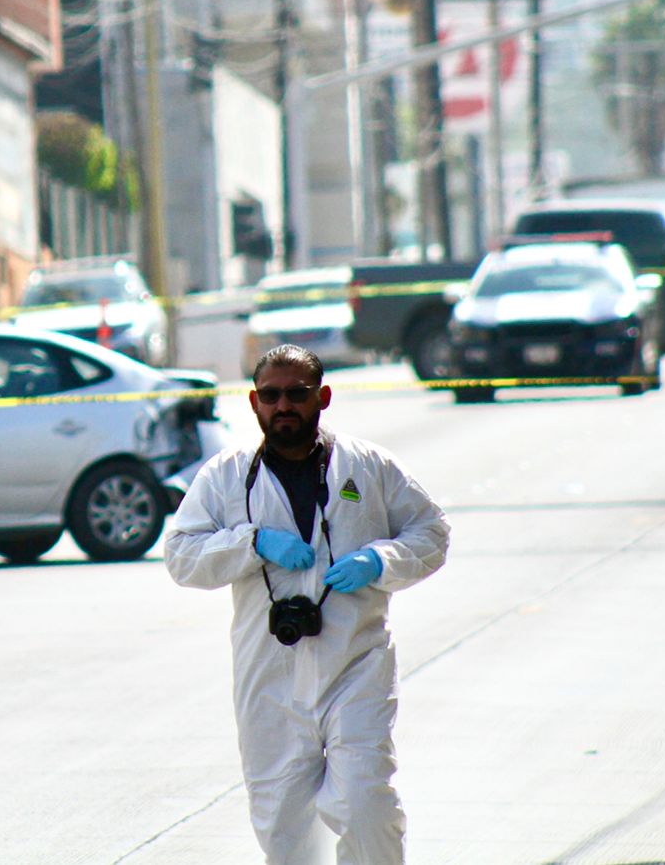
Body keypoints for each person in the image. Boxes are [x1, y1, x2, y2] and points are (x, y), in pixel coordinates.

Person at [163, 344, 450, 865]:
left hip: (355, 665)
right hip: (268, 676)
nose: (284, 406)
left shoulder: (368, 466)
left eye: (297, 394)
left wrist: (380, 560)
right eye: (271, 396)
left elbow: (431, 534)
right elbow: (181, 556)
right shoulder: (227, 476)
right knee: (283, 826)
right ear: (253, 403)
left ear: (323, 397)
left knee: (367, 803)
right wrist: (251, 543)